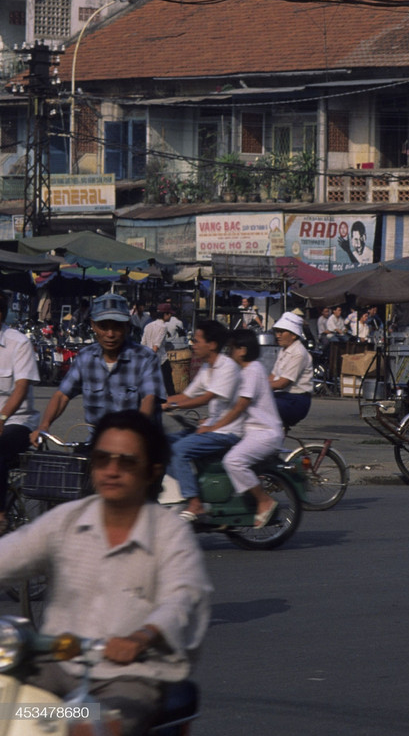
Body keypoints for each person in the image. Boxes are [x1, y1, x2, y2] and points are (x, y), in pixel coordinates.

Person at [0, 410, 211, 735]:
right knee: (9, 714)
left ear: (152, 471)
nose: (112, 471)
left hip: (129, 676)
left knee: (85, 728)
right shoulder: (68, 520)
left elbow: (183, 598)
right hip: (56, 666)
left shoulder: (169, 533)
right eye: (102, 459)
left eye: (126, 462)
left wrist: (141, 637)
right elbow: (10, 553)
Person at [32, 293, 165, 444]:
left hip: (137, 443)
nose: (110, 334)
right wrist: (44, 425)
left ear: (127, 326)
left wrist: (134, 435)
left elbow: (149, 400)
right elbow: (62, 395)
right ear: (93, 325)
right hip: (98, 443)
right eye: (103, 326)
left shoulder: (145, 358)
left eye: (117, 326)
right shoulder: (85, 357)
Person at [161, 320, 243, 522]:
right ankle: (186, 489)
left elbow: (206, 398)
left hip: (227, 431)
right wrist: (155, 402)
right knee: (160, 444)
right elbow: (186, 395)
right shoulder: (207, 368)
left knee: (178, 451)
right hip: (211, 427)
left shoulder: (227, 367)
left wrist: (171, 406)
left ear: (212, 344)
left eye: (197, 341)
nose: (193, 345)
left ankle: (195, 503)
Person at [205, 329, 284, 526]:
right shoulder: (246, 372)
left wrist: (214, 426)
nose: (228, 353)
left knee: (233, 461)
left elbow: (241, 406)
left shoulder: (253, 370)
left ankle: (264, 501)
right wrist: (208, 422)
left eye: (231, 349)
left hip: (264, 433)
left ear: (242, 350)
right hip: (252, 432)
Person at [0, 292, 39, 527]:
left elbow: (21, 388)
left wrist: (2, 417)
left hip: (17, 422)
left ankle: (1, 515)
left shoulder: (18, 343)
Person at [269, 311, 314, 428]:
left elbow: (282, 383)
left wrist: (259, 387)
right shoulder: (283, 350)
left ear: (293, 335)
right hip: (282, 397)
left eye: (281, 332)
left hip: (294, 401)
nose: (277, 335)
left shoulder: (298, 353)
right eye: (277, 332)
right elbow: (273, 376)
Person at [141, 302, 177, 395]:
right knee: (168, 380)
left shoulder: (149, 325)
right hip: (160, 358)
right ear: (165, 314)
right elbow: (157, 345)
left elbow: (143, 343)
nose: (170, 317)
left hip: (148, 356)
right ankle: (172, 400)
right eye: (170, 314)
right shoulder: (163, 326)